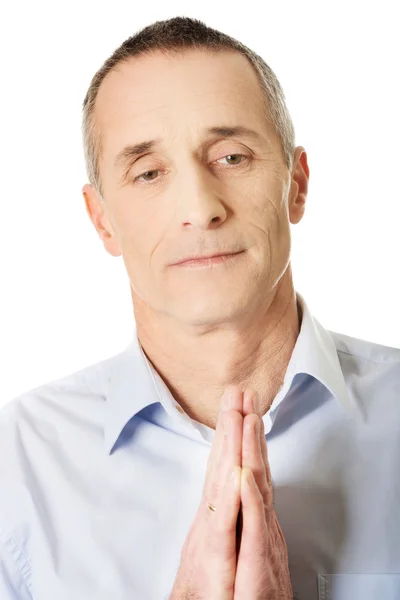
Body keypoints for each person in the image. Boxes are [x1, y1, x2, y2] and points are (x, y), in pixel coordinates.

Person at [1, 15, 399, 600]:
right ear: (101, 219)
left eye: (232, 157)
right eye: (149, 172)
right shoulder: (18, 464)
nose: (199, 207)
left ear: (297, 183)